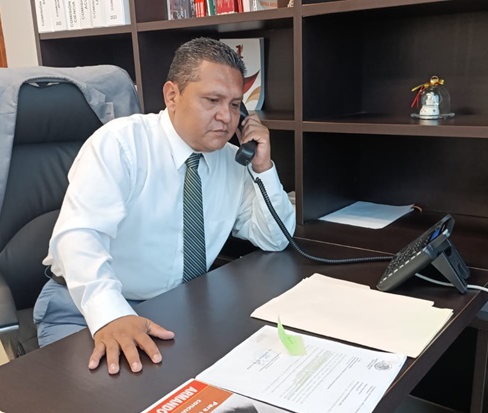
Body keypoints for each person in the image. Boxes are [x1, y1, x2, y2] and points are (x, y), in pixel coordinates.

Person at [32, 37, 295, 375]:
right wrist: (111, 314)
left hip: (175, 307)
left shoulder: (232, 161)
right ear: (172, 95)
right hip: (86, 307)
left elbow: (275, 239)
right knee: (112, 399)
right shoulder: (121, 144)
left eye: (234, 105)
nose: (226, 117)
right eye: (212, 100)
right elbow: (79, 237)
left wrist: (262, 167)